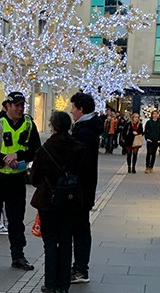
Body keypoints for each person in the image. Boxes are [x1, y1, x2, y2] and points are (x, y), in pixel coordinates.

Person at [0, 91, 41, 272]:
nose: (20, 109)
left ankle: (18, 256)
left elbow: (36, 149)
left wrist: (18, 156)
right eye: (17, 105)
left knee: (16, 220)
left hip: (16, 179)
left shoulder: (29, 123)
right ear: (7, 106)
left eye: (23, 105)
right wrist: (4, 158)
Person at [30, 111, 87, 293]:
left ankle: (50, 283)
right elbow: (84, 176)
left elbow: (34, 177)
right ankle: (64, 283)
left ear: (53, 126)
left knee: (50, 243)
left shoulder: (45, 149)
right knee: (65, 240)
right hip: (71, 201)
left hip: (49, 201)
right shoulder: (79, 147)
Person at [70, 92, 104, 283]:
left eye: (73, 107)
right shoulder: (89, 127)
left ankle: (81, 269)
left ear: (81, 109)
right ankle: (80, 267)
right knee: (81, 227)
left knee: (80, 228)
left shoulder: (84, 131)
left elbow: (80, 162)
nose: (72, 111)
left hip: (80, 189)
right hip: (85, 187)